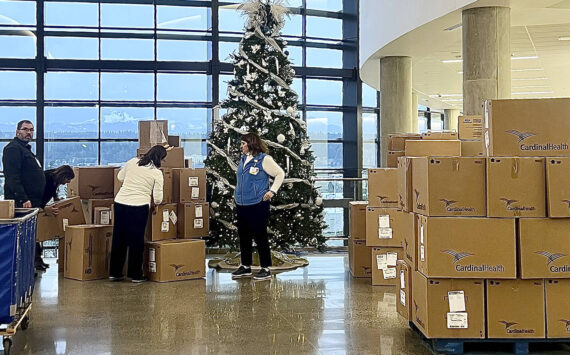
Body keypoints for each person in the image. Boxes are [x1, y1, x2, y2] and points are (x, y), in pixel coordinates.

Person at [231, 133, 285, 281]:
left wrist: (272, 191)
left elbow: (280, 173)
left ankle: (265, 268)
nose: (241, 146)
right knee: (244, 236)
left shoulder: (264, 159)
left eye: (243, 143)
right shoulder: (243, 159)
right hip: (242, 203)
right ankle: (245, 266)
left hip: (258, 204)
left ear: (251, 144)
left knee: (260, 236)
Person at [109, 145, 166, 283]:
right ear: (160, 159)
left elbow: (119, 177)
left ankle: (115, 273)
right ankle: (135, 275)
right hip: (139, 206)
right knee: (136, 241)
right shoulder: (157, 173)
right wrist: (156, 205)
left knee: (119, 239)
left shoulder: (132, 162)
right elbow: (158, 198)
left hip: (120, 203)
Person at [2, 120, 47, 271]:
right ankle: (23, 268)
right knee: (24, 236)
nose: (29, 132)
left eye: (31, 130)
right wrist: (23, 198)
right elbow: (12, 177)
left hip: (32, 201)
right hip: (22, 202)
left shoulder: (26, 150)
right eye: (25, 129)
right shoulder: (13, 149)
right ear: (17, 132)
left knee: (31, 235)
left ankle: (33, 263)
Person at [33, 165, 75, 270]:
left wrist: (56, 198)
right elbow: (38, 194)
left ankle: (38, 261)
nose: (68, 182)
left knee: (38, 235)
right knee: (36, 235)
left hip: (41, 205)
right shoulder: (46, 178)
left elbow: (52, 190)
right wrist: (44, 207)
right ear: (63, 175)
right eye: (68, 179)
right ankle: (36, 261)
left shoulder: (54, 179)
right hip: (37, 205)